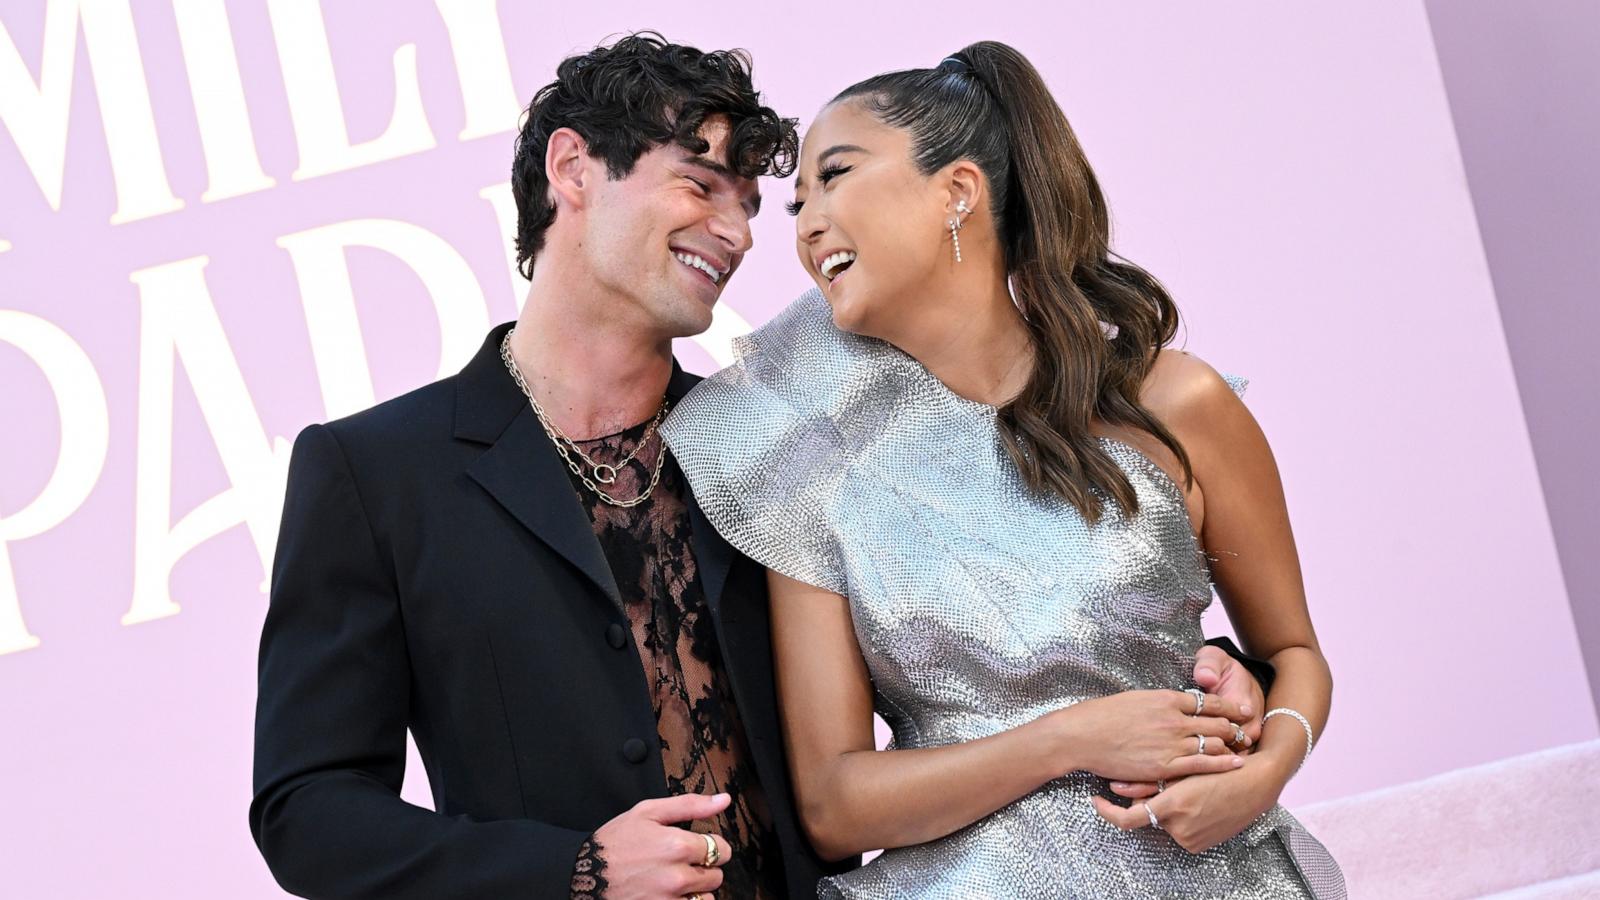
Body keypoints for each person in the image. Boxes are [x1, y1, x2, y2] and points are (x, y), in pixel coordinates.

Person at [251, 32, 1275, 900]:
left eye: (749, 200)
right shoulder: (374, 472)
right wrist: (569, 870)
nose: (740, 232)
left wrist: (1236, 674)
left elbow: (991, 626)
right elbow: (306, 810)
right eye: (699, 185)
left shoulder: (781, 446)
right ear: (571, 169)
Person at [661, 41, 1345, 899]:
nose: (805, 223)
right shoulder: (809, 462)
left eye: (836, 176)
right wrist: (1072, 738)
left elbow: (1292, 651)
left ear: (959, 191)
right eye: (798, 200)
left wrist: (1265, 770)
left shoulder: (1179, 401)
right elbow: (835, 801)